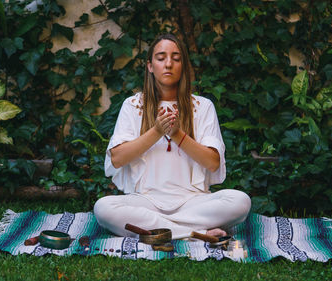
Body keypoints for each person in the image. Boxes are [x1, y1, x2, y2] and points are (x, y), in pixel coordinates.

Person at [93, 33, 251, 239]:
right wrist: (157, 131)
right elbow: (117, 158)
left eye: (176, 59)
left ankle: (162, 230)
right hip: (146, 202)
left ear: (183, 66)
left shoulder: (202, 106)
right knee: (103, 208)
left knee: (240, 201)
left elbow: (213, 162)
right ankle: (194, 232)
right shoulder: (133, 106)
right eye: (161, 58)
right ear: (150, 66)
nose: (168, 64)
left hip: (193, 202)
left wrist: (177, 134)